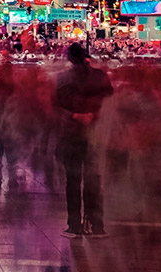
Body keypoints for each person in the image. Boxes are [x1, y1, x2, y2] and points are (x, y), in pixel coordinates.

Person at [53, 43, 113, 238]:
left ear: (69, 58)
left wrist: (75, 116)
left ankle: (74, 225)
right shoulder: (101, 77)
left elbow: (55, 107)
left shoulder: (62, 79)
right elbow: (111, 102)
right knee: (94, 179)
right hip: (95, 134)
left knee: (73, 180)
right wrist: (94, 115)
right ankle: (97, 225)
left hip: (71, 135)